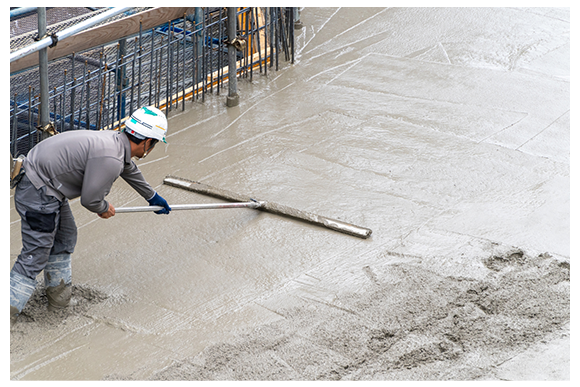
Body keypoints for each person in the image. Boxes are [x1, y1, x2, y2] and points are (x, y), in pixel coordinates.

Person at [10, 106, 172, 328]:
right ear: (146, 142)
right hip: (38, 189)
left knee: (65, 237)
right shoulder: (111, 157)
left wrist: (152, 196)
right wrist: (104, 208)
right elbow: (90, 200)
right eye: (154, 143)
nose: (151, 148)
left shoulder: (115, 141)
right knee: (35, 254)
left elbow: (128, 168)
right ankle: (8, 313)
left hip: (48, 187)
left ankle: (58, 301)